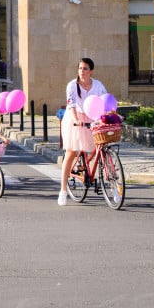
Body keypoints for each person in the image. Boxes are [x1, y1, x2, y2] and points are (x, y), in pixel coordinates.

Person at [59, 57, 107, 206]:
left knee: (96, 148)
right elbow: (71, 104)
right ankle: (63, 191)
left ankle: (106, 182)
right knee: (71, 152)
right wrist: (76, 119)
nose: (82, 71)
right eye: (80, 68)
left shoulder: (98, 85)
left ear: (91, 71)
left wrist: (112, 114)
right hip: (76, 118)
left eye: (85, 69)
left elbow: (105, 100)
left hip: (92, 117)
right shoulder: (72, 85)